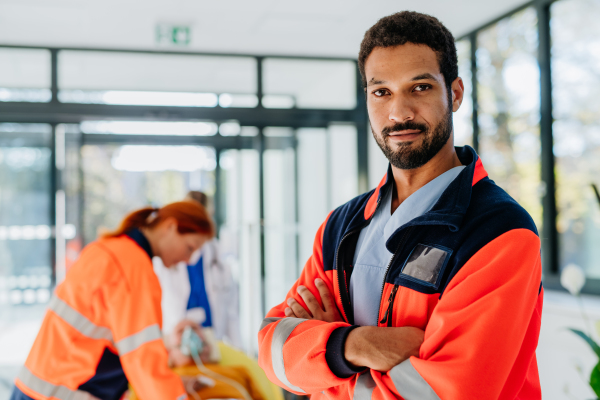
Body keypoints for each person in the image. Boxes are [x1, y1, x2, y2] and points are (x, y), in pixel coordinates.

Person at [258, 11, 543, 400]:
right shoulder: (341, 226)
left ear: (455, 93)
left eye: (420, 87)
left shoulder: (499, 232)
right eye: (382, 92)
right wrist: (357, 345)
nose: (399, 113)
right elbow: (272, 351)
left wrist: (324, 358)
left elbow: (448, 393)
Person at [11, 201, 214, 400]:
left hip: (35, 386)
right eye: (189, 248)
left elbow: (109, 340)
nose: (188, 260)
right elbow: (143, 358)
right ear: (170, 227)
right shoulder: (134, 268)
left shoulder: (107, 249)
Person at [154, 191, 241, 362]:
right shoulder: (165, 259)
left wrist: (239, 352)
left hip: (213, 345)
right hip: (178, 347)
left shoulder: (219, 256)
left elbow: (232, 312)